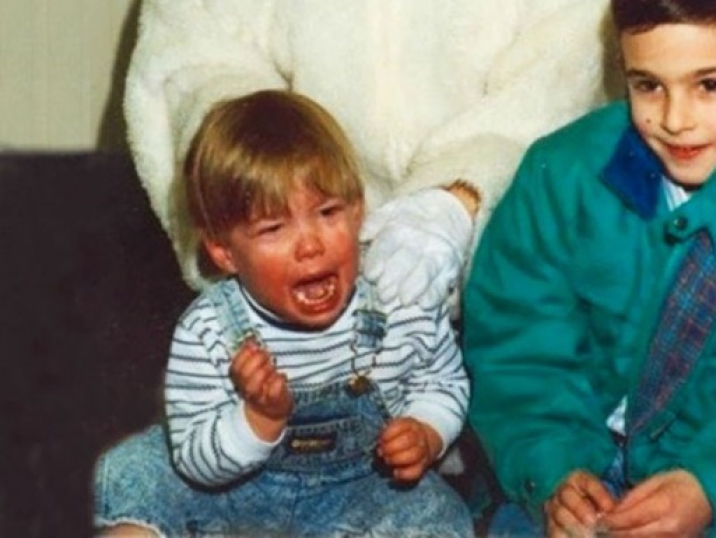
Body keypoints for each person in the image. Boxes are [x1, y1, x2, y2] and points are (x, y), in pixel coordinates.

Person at [462, 0, 716, 538]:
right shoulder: (560, 174)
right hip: (586, 466)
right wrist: (555, 471)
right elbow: (517, 344)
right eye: (648, 85)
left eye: (710, 86)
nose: (675, 119)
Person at [94, 89, 473, 538]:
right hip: (228, 493)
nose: (310, 244)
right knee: (143, 475)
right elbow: (196, 457)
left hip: (359, 489)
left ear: (358, 212)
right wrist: (258, 419)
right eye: (274, 228)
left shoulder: (399, 301)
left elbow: (443, 382)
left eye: (329, 212)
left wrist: (427, 431)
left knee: (439, 519)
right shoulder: (209, 329)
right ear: (225, 253)